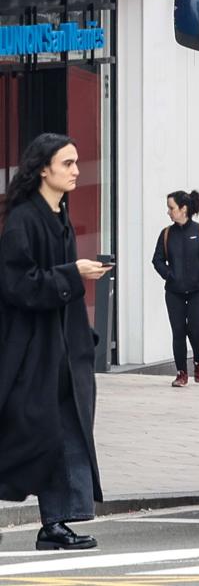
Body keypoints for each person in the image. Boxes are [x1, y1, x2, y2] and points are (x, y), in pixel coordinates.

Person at [0, 133, 109, 550]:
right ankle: (56, 522)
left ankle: (57, 523)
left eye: (77, 163)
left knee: (66, 433)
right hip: (33, 354)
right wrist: (72, 274)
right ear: (43, 169)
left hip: (64, 351)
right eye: (68, 163)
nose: (77, 171)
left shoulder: (58, 214)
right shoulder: (25, 220)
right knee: (36, 435)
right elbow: (16, 284)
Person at [152, 190, 199, 387]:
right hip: (174, 292)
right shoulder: (166, 234)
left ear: (183, 209)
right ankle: (181, 373)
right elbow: (156, 260)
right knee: (178, 331)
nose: (168, 212)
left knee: (194, 330)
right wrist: (168, 274)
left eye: (171, 208)